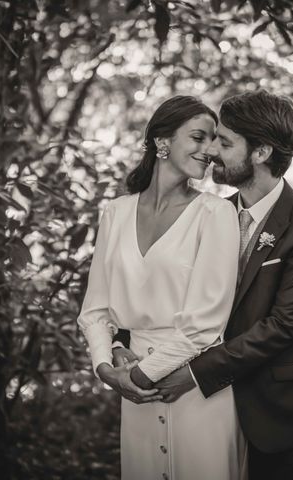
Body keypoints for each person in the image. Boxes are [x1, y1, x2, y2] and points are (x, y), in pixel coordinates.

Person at [118, 90, 293, 480]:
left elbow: (283, 326)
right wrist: (123, 342)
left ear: (260, 153)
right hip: (217, 413)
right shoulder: (209, 215)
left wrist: (193, 374)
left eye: (225, 142)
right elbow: (160, 289)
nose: (211, 151)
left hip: (286, 414)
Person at [76, 95, 247, 480]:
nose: (211, 151)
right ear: (162, 142)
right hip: (132, 388)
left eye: (216, 141)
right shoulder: (116, 213)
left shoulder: (215, 214)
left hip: (194, 386)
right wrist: (107, 368)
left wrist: (138, 377)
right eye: (199, 137)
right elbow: (94, 311)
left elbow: (206, 324)